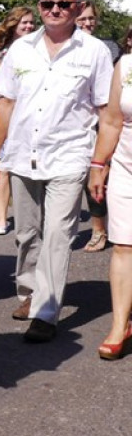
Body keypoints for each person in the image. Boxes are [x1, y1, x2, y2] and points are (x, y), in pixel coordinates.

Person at [0, 0, 114, 342]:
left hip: (69, 155)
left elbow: (106, 113)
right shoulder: (21, 49)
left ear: (77, 9)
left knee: (58, 234)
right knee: (27, 233)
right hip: (23, 154)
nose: (54, 10)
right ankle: (29, 292)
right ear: (40, 5)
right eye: (47, 4)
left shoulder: (94, 52)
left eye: (63, 4)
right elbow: (5, 105)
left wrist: (98, 163)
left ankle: (46, 311)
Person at [89, 53, 132, 359]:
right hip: (126, 169)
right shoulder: (127, 65)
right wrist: (98, 162)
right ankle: (120, 325)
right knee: (123, 247)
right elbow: (113, 120)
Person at [0, 6, 36, 235]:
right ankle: (1, 217)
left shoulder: (39, 50)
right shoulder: (2, 53)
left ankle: (33, 215)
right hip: (5, 114)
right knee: (2, 166)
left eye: (30, 23)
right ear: (13, 25)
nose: (28, 26)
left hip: (28, 115)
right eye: (23, 22)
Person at [75, 0, 109, 252]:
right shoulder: (66, 47)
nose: (88, 23)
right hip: (75, 127)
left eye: (91, 19)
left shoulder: (104, 48)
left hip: (101, 125)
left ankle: (101, 230)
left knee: (99, 180)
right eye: (83, 19)